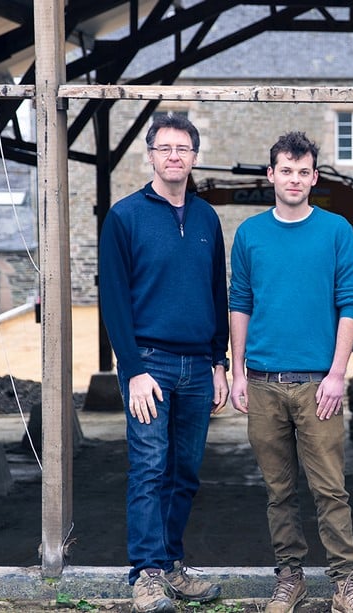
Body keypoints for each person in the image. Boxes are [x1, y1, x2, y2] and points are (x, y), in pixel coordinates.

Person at [228, 131, 353, 613]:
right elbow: (240, 303)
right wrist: (238, 372)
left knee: (330, 487)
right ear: (271, 175)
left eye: (302, 171)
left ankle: (345, 582)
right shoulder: (250, 233)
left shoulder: (335, 231)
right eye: (285, 170)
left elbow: (350, 303)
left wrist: (337, 374)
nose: (294, 179)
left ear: (314, 177)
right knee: (279, 489)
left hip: (318, 383)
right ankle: (290, 577)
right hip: (264, 382)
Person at [99, 113, 228, 613]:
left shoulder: (206, 218)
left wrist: (218, 361)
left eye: (184, 148)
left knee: (186, 472)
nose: (174, 156)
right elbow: (113, 300)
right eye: (165, 147)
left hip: (198, 367)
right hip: (148, 364)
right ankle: (146, 573)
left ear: (194, 157)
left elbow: (217, 293)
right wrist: (131, 370)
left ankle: (172, 565)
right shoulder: (125, 217)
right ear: (149, 154)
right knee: (149, 468)